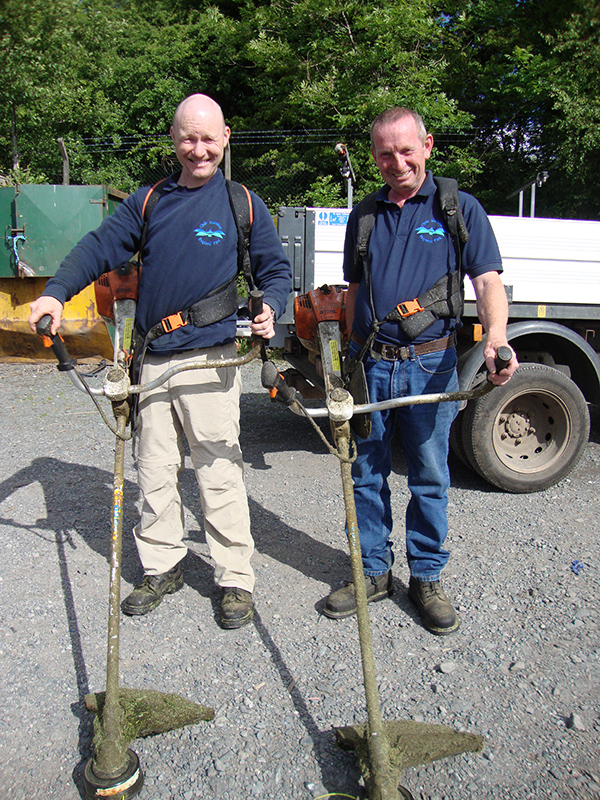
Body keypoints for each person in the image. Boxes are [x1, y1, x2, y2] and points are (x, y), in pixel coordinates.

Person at [29, 94, 292, 630]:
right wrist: (57, 292)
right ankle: (163, 564)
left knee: (218, 471)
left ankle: (235, 577)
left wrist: (274, 309)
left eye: (208, 138)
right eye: (188, 138)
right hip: (151, 358)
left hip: (211, 361)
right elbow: (99, 246)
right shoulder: (148, 201)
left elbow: (276, 272)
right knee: (154, 470)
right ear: (174, 140)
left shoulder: (243, 204)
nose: (199, 149)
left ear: (225, 138)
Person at [323, 107, 518, 635]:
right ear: (374, 156)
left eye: (406, 150)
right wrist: (346, 356)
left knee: (429, 475)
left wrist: (496, 337)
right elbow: (355, 292)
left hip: (430, 366)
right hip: (370, 366)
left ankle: (426, 578)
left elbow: (488, 281)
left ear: (428, 145)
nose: (396, 161)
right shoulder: (364, 214)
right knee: (365, 473)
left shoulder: (459, 208)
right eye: (385, 153)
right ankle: (374, 572)